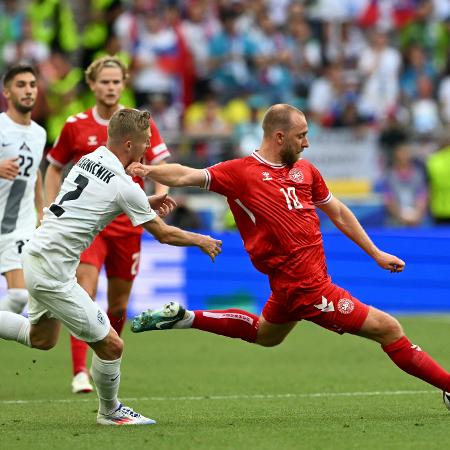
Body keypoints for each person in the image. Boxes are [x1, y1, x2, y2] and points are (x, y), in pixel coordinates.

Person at [127, 104, 450, 410]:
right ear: (279, 136)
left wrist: (375, 252)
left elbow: (336, 211)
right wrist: (148, 169)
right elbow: (186, 175)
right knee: (389, 329)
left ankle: (185, 317)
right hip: (306, 287)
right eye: (301, 136)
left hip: (291, 285)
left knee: (266, 335)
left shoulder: (305, 171)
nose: (307, 143)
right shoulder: (241, 172)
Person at [0, 108, 222, 425]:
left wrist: (145, 203)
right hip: (51, 270)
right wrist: (201, 240)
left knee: (42, 339)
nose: (148, 148)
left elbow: (96, 203)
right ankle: (110, 411)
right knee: (112, 345)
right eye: (145, 142)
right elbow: (163, 233)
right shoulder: (124, 183)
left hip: (39, 256)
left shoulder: (90, 158)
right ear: (129, 144)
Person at [44, 55, 171, 394]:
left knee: (117, 305)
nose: (111, 87)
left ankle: (107, 364)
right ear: (92, 85)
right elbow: (54, 167)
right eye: (105, 81)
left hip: (128, 226)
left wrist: (159, 193)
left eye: (117, 81)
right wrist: (51, 206)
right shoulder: (75, 124)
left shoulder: (138, 122)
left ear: (124, 83)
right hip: (90, 226)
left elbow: (160, 164)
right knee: (84, 292)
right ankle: (78, 371)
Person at [0, 64, 45, 313]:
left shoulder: (39, 133)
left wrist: (41, 210)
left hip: (18, 227)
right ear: (6, 92)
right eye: (20, 85)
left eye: (32, 85)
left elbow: (36, 172)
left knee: (18, 297)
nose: (28, 90)